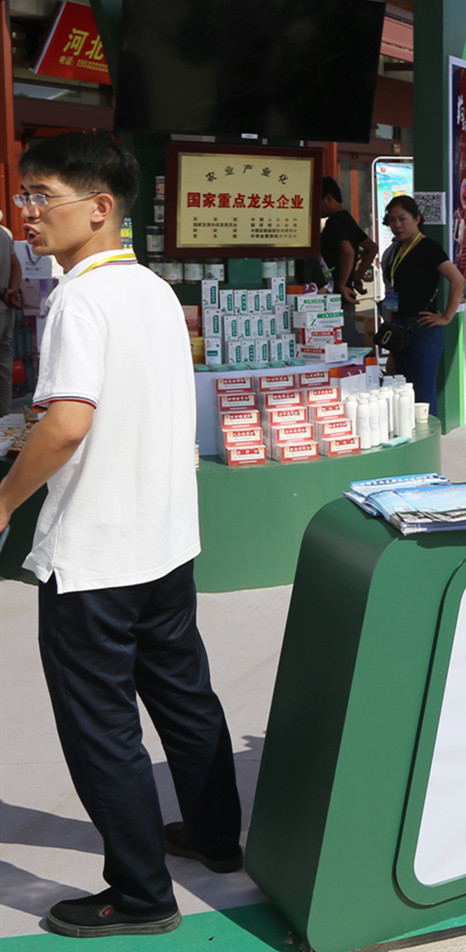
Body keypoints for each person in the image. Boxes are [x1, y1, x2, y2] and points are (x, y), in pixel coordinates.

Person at [0, 131, 242, 939]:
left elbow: (68, 423)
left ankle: (139, 894)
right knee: (184, 698)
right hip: (163, 541)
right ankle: (213, 836)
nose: (26, 213)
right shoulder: (153, 290)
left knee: (100, 726)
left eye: (43, 197)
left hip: (95, 553)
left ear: (99, 208)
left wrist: (3, 498)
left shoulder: (80, 298)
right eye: (24, 196)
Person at [380, 195, 464, 417]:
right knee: (400, 391)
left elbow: (457, 280)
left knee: (422, 395)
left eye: (402, 218)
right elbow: (392, 287)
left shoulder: (427, 247)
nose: (397, 225)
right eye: (391, 220)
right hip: (399, 328)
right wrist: (390, 320)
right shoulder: (395, 251)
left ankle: (429, 446)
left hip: (422, 328)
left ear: (417, 218)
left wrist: (446, 316)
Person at [317, 176, 378, 347]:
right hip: (344, 295)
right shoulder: (347, 219)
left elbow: (348, 251)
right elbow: (371, 248)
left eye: (317, 201)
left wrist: (342, 283)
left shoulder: (335, 223)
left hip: (336, 297)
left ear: (328, 197)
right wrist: (356, 277)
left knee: (340, 343)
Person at [0, 223, 20, 414]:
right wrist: (11, 292)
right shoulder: (4, 234)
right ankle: (4, 417)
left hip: (4, 300)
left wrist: (6, 292)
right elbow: (16, 267)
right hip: (6, 308)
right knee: (3, 366)